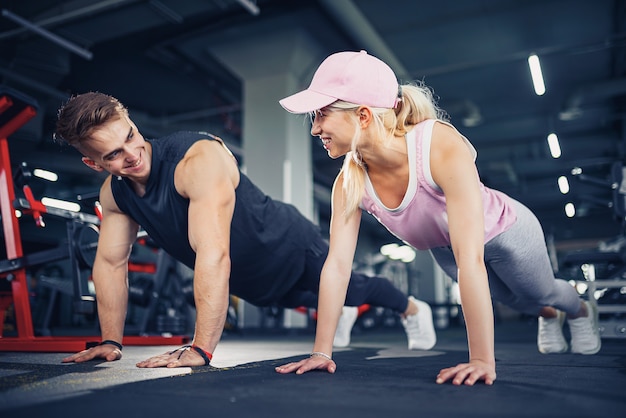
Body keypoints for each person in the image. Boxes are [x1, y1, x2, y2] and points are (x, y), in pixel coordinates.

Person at [274, 50, 601, 385]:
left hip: (505, 230)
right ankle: (546, 316)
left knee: (540, 293)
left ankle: (579, 311)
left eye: (321, 115)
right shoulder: (348, 182)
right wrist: (321, 352)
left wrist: (481, 360)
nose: (314, 130)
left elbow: (470, 257)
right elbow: (338, 266)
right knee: (510, 298)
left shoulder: (436, 144)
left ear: (363, 116)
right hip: (445, 249)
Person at [53, 92, 437, 369]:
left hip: (286, 245)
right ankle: (340, 310)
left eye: (130, 136)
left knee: (352, 288)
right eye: (113, 155)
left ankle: (412, 308)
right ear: (93, 163)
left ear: (133, 124)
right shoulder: (116, 193)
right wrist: (110, 341)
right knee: (311, 301)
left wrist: (201, 350)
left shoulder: (196, 160)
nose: (132, 154)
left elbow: (214, 253)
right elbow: (110, 264)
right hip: (252, 281)